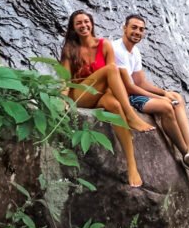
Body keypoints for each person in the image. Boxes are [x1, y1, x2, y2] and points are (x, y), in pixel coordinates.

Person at [112, 14, 189, 178]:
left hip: (133, 93)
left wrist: (164, 93)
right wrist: (160, 99)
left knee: (176, 97)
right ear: (124, 28)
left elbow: (140, 82)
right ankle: (187, 154)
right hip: (124, 96)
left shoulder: (134, 52)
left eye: (141, 29)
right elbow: (129, 87)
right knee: (166, 106)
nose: (137, 32)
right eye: (134, 27)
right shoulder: (117, 49)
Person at [60, 10, 154, 188]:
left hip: (101, 95)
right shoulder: (70, 49)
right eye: (79, 23)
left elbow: (115, 82)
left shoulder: (105, 45)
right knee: (112, 69)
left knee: (114, 105)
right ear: (73, 27)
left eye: (86, 22)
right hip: (81, 95)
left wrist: (112, 96)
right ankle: (132, 116)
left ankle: (132, 166)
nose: (84, 25)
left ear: (92, 24)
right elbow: (65, 81)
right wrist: (64, 100)